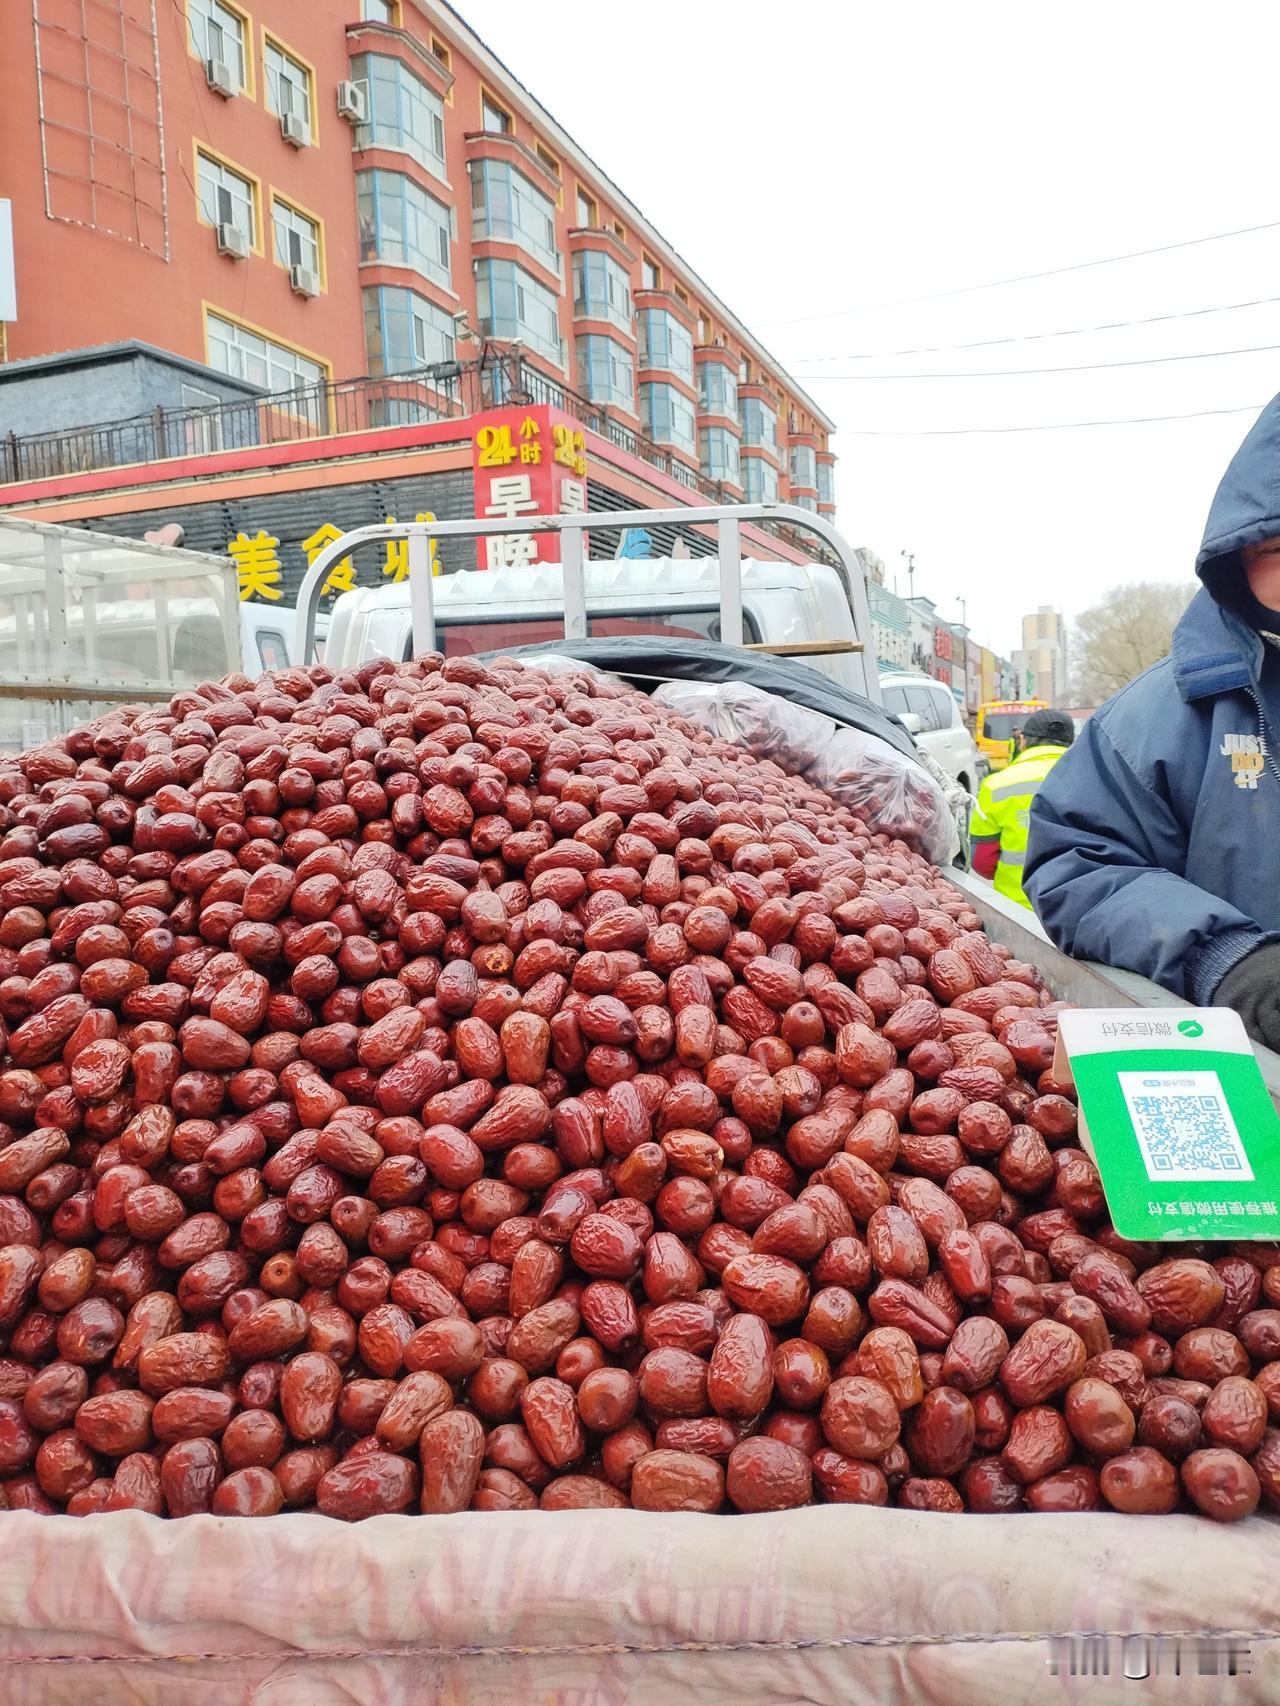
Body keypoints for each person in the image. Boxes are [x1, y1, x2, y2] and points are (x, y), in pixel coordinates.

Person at [1025, 391, 1280, 1049]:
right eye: (1278, 547)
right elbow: (1076, 861)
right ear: (1239, 553)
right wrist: (1228, 958)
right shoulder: (1156, 719)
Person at [969, 708, 1075, 907]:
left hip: (1016, 909)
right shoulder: (1097, 781)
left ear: (1023, 740)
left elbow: (982, 862)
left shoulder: (995, 785)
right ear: (1071, 741)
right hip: (1080, 910)